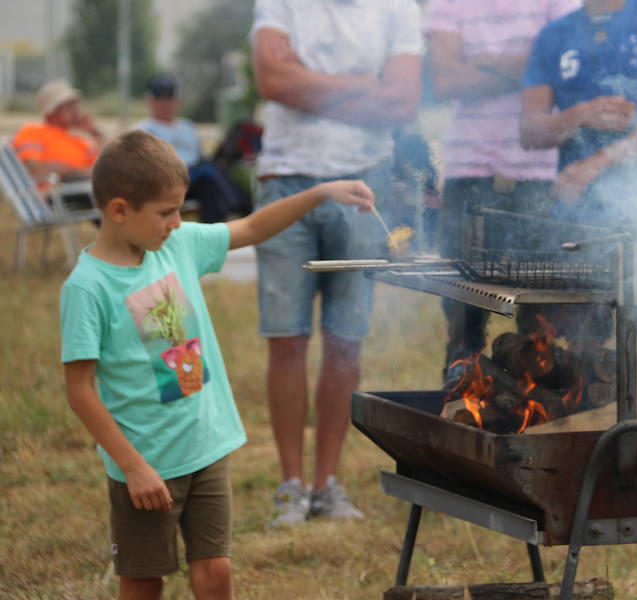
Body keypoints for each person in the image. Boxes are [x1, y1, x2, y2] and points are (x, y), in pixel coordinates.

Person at [60, 130, 373, 599]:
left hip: (205, 447)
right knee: (144, 581)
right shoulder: (88, 287)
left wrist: (320, 193)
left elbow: (249, 228)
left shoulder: (176, 244)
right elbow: (79, 389)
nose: (176, 221)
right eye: (166, 213)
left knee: (216, 572)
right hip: (147, 464)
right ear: (120, 210)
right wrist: (134, 467)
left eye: (178, 210)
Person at [250, 0, 423, 527]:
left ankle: (325, 485)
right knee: (287, 340)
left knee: (346, 342)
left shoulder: (398, 9)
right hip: (285, 180)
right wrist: (362, 87)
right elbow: (271, 79)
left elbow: (402, 101)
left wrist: (309, 83)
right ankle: (290, 486)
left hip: (362, 187)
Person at [424, 0, 581, 376]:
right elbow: (444, 80)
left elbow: (559, 66)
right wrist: (525, 68)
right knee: (463, 322)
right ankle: (460, 407)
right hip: (466, 176)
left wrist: (481, 66)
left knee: (543, 322)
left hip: (539, 178)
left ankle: (545, 419)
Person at [520, 0, 637, 223]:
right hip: (573, 207)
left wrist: (596, 164)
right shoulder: (553, 35)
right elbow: (529, 133)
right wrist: (582, 115)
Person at [135, 74, 252, 223]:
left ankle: (213, 233)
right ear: (150, 101)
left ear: (177, 101)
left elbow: (200, 155)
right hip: (167, 179)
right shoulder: (144, 129)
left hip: (197, 179)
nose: (165, 103)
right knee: (209, 174)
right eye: (160, 98)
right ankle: (244, 211)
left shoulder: (187, 126)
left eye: (169, 98)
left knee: (211, 182)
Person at [11, 78, 103, 209]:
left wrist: (95, 133)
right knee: (107, 194)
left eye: (75, 105)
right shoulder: (32, 131)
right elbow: (36, 169)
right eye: (69, 106)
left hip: (80, 188)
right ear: (52, 109)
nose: (76, 110)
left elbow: (103, 167)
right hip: (52, 194)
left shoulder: (78, 140)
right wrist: (80, 171)